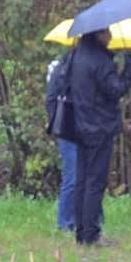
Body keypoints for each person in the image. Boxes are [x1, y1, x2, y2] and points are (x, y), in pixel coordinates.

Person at [67, 30, 131, 246]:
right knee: (95, 181)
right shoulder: (99, 60)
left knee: (82, 180)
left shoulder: (77, 55)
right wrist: (129, 67)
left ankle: (81, 232)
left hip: (80, 124)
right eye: (107, 31)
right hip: (100, 126)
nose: (111, 34)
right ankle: (91, 234)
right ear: (98, 34)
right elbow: (116, 89)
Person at [46, 51, 79, 232]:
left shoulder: (62, 68)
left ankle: (72, 220)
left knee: (77, 177)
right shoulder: (62, 71)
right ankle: (65, 222)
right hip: (68, 131)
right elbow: (51, 99)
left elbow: (50, 100)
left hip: (72, 130)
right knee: (73, 177)